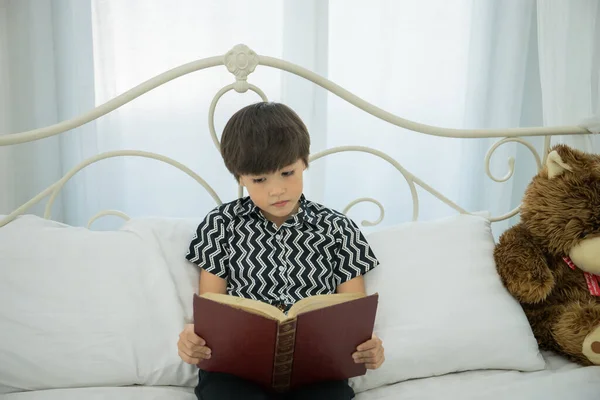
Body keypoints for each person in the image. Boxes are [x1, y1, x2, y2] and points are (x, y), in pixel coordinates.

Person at [177, 102, 384, 400]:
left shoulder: (339, 229)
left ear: (305, 162)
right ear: (239, 178)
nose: (276, 190)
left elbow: (352, 320)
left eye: (287, 173)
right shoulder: (220, 225)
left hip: (316, 371)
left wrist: (369, 347)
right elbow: (213, 315)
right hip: (236, 371)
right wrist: (193, 340)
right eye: (259, 180)